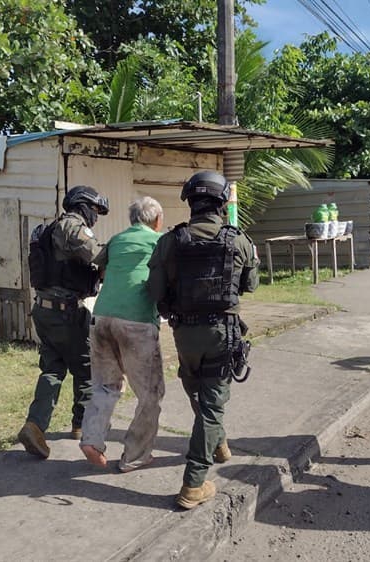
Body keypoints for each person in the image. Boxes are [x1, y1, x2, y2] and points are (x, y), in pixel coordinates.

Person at [147, 170, 259, 509]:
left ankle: (218, 443)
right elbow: (250, 285)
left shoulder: (170, 240)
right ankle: (193, 484)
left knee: (198, 389)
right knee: (211, 405)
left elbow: (154, 291)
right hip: (221, 333)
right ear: (222, 202)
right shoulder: (238, 239)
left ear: (190, 202)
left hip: (184, 334)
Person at [18, 185, 109, 460]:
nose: (95, 216)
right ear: (83, 206)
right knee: (86, 368)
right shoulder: (72, 226)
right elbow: (99, 255)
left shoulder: (48, 230)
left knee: (53, 368)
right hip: (66, 311)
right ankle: (80, 426)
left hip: (45, 309)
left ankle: (35, 425)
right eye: (94, 210)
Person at [80, 196, 165, 472]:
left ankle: (92, 439)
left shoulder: (116, 240)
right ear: (157, 220)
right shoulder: (159, 241)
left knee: (105, 385)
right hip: (137, 321)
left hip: (102, 317)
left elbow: (101, 268)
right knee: (150, 394)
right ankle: (136, 455)